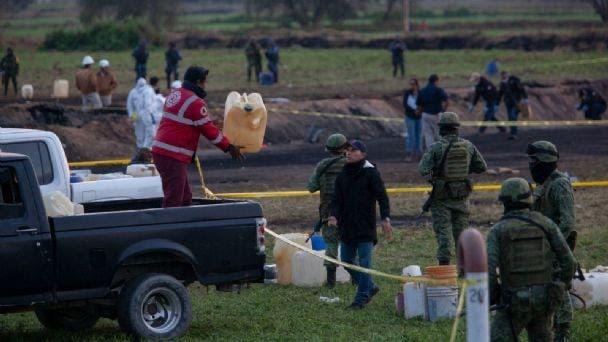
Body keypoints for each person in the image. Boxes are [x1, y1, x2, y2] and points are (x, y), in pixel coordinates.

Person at [488, 177, 575, 342]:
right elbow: (569, 262)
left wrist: (496, 296)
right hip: (544, 300)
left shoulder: (498, 230)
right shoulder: (546, 224)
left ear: (504, 202)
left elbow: (489, 271)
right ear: (529, 198)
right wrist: (560, 287)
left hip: (513, 302)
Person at [152, 66, 244, 208]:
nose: (205, 86)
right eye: (204, 82)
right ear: (197, 82)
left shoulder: (175, 94)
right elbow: (208, 131)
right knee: (174, 200)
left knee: (184, 197)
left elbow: (185, 121)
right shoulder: (195, 102)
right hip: (172, 155)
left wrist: (210, 123)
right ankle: (171, 229)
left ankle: (183, 228)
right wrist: (229, 147)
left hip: (162, 152)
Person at [329, 140, 393, 309]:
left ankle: (361, 298)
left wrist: (385, 218)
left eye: (353, 150)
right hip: (347, 227)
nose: (348, 153)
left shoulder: (371, 173)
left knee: (365, 263)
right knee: (346, 260)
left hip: (365, 227)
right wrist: (333, 216)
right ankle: (370, 286)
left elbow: (382, 196)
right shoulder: (343, 175)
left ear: (363, 154)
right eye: (347, 150)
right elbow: (336, 200)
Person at [418, 112, 487, 265]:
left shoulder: (436, 147)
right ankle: (464, 269)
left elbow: (423, 169)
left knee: (443, 233)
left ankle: (444, 268)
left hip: (441, 196)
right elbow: (482, 167)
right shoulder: (468, 146)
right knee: (462, 233)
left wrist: (435, 173)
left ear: (441, 128)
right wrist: (464, 172)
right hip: (462, 196)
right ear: (457, 128)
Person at [526, 141, 576, 341]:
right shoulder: (545, 184)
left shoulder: (559, 185)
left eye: (534, 161)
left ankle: (562, 333)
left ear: (545, 161)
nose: (531, 165)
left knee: (558, 290)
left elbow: (568, 222)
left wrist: (553, 245)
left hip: (555, 249)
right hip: (543, 248)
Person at [307, 133, 348, 289]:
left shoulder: (323, 165)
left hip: (328, 213)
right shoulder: (351, 164)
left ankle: (331, 282)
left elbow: (311, 187)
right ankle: (357, 279)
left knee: (331, 244)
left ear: (328, 149)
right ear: (345, 148)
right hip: (349, 212)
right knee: (351, 244)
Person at [127, 78, 156, 163]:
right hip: (139, 116)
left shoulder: (148, 90)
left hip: (146, 114)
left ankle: (146, 151)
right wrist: (132, 116)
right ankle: (142, 152)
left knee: (149, 133)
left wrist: (150, 112)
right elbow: (130, 105)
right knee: (140, 134)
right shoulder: (133, 92)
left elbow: (152, 102)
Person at [416, 74, 448, 152]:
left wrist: (419, 112)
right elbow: (446, 101)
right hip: (436, 114)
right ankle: (441, 151)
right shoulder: (438, 90)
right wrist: (443, 110)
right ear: (436, 81)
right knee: (439, 133)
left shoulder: (422, 90)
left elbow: (419, 105)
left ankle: (431, 152)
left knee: (428, 135)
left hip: (425, 114)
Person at [498, 71, 528, 140]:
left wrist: (525, 98)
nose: (503, 78)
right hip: (508, 103)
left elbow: (521, 89)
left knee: (512, 116)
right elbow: (500, 94)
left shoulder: (514, 80)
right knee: (510, 118)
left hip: (517, 102)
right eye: (502, 77)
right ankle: (513, 133)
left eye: (504, 76)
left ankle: (514, 133)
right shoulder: (502, 83)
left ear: (507, 75)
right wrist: (497, 104)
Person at [403, 78, 421, 160]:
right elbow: (405, 104)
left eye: (413, 84)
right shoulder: (407, 93)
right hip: (410, 116)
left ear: (416, 85)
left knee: (419, 136)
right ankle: (409, 154)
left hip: (419, 117)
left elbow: (423, 102)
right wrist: (414, 110)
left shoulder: (421, 93)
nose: (411, 86)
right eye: (410, 84)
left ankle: (419, 154)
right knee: (411, 135)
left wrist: (419, 110)